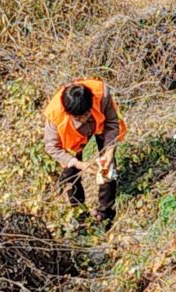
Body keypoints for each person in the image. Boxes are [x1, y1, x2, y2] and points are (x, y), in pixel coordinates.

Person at [43, 78, 127, 229]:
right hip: (71, 141)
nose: (83, 119)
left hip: (100, 128)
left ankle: (105, 214)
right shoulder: (54, 115)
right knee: (70, 176)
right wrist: (80, 164)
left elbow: (112, 123)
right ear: (67, 113)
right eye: (78, 118)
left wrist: (109, 151)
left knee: (108, 167)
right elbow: (52, 147)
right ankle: (80, 214)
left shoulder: (102, 94)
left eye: (86, 114)